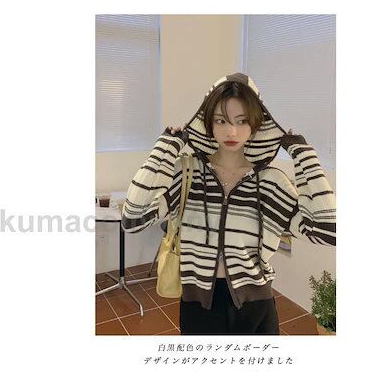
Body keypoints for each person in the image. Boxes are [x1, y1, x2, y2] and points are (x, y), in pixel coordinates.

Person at [121, 72, 336, 335]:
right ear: (208, 123)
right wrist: (165, 148)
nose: (231, 131)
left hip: (256, 306)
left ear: (255, 125)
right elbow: (133, 219)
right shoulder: (186, 173)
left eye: (242, 121)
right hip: (198, 306)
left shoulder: (271, 182)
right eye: (221, 120)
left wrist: (304, 156)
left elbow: (329, 231)